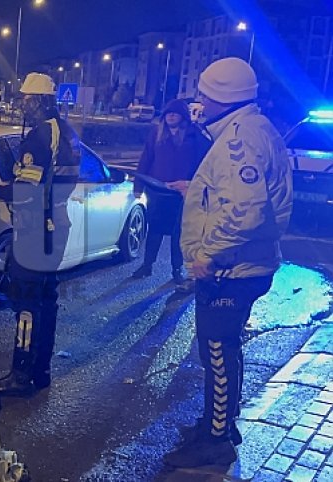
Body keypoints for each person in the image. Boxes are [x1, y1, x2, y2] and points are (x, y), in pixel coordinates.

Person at [164, 57, 292, 468]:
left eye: (203, 94)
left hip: (230, 269)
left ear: (222, 97)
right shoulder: (250, 129)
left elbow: (245, 212)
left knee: (217, 353)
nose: (197, 103)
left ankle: (216, 440)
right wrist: (198, 193)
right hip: (241, 265)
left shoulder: (239, 140)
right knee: (224, 351)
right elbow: (237, 197)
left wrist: (206, 254)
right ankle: (219, 422)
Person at [0, 73, 79, 397]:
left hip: (35, 231)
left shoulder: (39, 137)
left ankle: (20, 375)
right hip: (55, 227)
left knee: (25, 303)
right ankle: (41, 371)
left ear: (38, 101)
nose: (21, 104)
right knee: (47, 301)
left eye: (25, 99)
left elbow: (26, 193)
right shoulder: (65, 131)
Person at [131, 99, 211, 292]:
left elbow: (206, 163)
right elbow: (146, 160)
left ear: (183, 116)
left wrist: (193, 185)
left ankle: (177, 269)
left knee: (179, 234)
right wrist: (138, 186)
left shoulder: (195, 136)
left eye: (175, 113)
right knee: (154, 230)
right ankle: (147, 265)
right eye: (168, 113)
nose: (171, 116)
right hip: (158, 191)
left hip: (182, 194)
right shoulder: (157, 134)